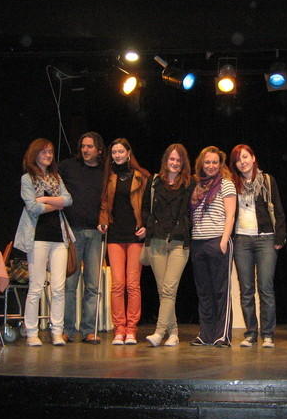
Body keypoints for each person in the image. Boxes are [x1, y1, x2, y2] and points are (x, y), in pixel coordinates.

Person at [14, 138, 74, 347]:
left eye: (50, 152)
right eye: (44, 152)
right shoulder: (27, 179)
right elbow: (33, 208)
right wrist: (56, 204)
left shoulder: (56, 178)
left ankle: (57, 332)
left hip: (59, 238)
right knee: (36, 287)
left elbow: (68, 200)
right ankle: (32, 332)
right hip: (37, 237)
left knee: (58, 288)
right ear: (35, 154)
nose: (48, 155)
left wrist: (46, 199)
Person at [229, 144, 286, 348]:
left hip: (266, 238)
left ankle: (268, 334)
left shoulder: (267, 180)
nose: (242, 162)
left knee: (265, 288)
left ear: (253, 158)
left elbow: (278, 209)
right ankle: (251, 333)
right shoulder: (232, 184)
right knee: (246, 289)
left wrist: (280, 237)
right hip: (241, 240)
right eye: (238, 159)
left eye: (245, 157)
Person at [142, 144, 194, 347]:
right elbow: (145, 208)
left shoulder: (189, 183)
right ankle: (173, 333)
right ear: (165, 160)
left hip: (179, 242)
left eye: (178, 160)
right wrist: (147, 226)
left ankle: (159, 332)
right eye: (172, 159)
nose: (175, 163)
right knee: (163, 290)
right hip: (156, 241)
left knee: (169, 288)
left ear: (183, 163)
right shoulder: (154, 181)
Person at [98, 138, 149, 345]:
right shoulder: (108, 177)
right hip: (115, 235)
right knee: (118, 284)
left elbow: (147, 205)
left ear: (128, 153)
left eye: (121, 151)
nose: (117, 155)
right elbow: (103, 204)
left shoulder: (141, 176)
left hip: (135, 234)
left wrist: (146, 225)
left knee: (133, 285)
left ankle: (131, 329)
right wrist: (102, 221)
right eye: (114, 152)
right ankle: (119, 328)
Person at [59, 132, 105, 344]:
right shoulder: (68, 167)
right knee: (70, 284)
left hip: (95, 233)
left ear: (99, 150)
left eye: (90, 146)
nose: (85, 150)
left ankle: (89, 330)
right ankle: (67, 329)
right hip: (73, 233)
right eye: (83, 146)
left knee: (93, 285)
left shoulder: (104, 171)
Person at [189, 146, 236, 347]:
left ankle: (222, 335)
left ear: (220, 164)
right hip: (198, 242)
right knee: (204, 291)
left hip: (217, 240)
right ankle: (206, 334)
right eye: (207, 162)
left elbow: (231, 215)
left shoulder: (226, 184)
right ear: (201, 163)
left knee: (220, 290)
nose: (211, 166)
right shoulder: (196, 185)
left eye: (215, 162)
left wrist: (224, 241)